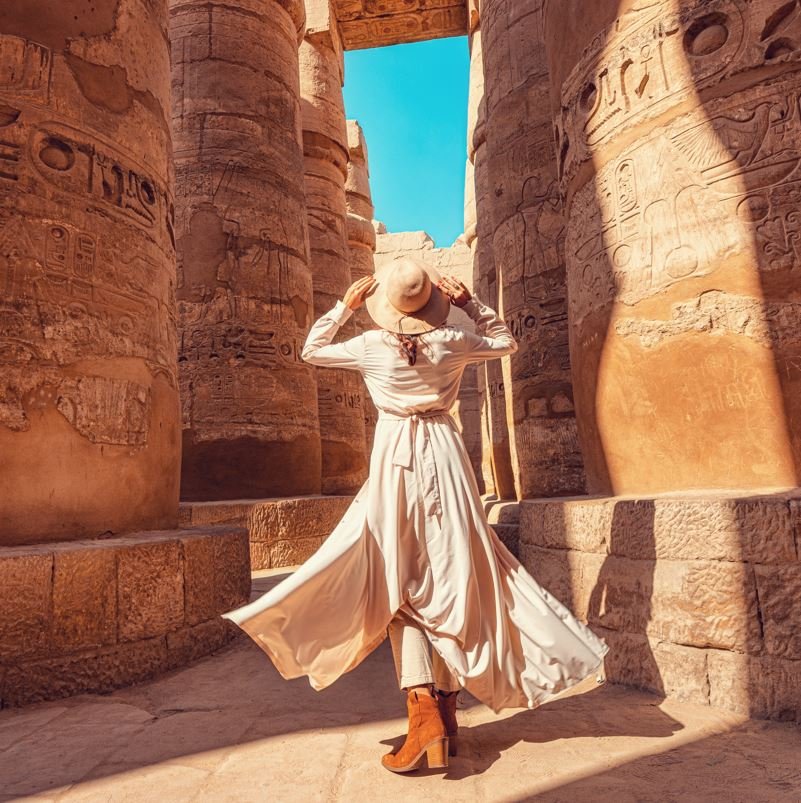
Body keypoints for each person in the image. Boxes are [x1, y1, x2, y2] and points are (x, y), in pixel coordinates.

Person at [224, 258, 608, 773]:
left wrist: (343, 307)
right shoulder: (453, 342)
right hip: (447, 458)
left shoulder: (368, 347)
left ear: (383, 307)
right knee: (451, 579)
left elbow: (311, 349)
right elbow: (504, 341)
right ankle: (444, 711)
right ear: (434, 303)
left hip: (394, 462)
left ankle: (424, 709)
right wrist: (471, 304)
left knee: (397, 582)